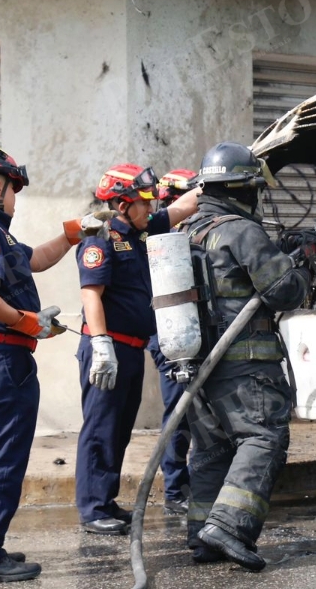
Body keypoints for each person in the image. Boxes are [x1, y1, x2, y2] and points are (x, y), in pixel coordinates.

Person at [0, 143, 103, 584]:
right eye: (13, 189)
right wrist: (25, 322)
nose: (15, 197)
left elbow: (33, 261)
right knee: (1, 458)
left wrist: (73, 234)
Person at [179, 143, 316, 572]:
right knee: (263, 438)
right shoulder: (241, 231)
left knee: (212, 448)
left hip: (198, 366)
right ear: (243, 188)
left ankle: (204, 535)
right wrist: (304, 264)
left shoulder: (187, 232)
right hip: (245, 365)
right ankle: (230, 526)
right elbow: (283, 292)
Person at [74, 164, 199, 535]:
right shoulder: (100, 237)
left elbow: (181, 208)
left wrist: (212, 179)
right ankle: (93, 508)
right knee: (100, 430)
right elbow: (90, 294)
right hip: (107, 349)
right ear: (121, 204)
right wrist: (100, 345)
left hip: (131, 349)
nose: (151, 209)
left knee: (119, 430)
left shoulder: (144, 231)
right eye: (143, 202)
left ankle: (106, 499)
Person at [152, 167, 198, 515]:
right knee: (179, 413)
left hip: (190, 331)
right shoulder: (160, 238)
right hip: (169, 334)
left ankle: (193, 482)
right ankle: (174, 488)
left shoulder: (190, 233)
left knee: (196, 412)